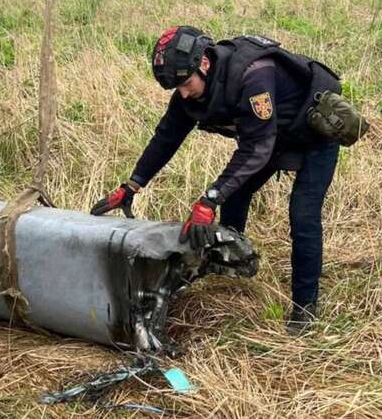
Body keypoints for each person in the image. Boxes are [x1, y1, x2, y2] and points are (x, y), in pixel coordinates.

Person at [90, 26, 344, 335]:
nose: (182, 93)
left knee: (302, 216)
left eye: (185, 84)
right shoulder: (189, 89)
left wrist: (209, 199)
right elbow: (166, 137)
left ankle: (305, 310)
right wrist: (132, 185)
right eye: (176, 88)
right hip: (271, 135)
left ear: (205, 64)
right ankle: (233, 265)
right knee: (235, 195)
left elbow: (257, 149)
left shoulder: (254, 76)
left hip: (313, 136)